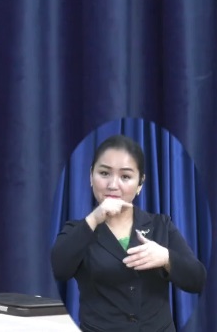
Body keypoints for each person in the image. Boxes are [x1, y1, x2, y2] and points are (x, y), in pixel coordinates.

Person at [50, 134, 206, 331]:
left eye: (125, 177)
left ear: (140, 183)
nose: (113, 185)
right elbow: (57, 269)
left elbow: (198, 280)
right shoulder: (78, 230)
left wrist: (166, 258)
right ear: (91, 176)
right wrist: (95, 218)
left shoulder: (161, 225)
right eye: (104, 173)